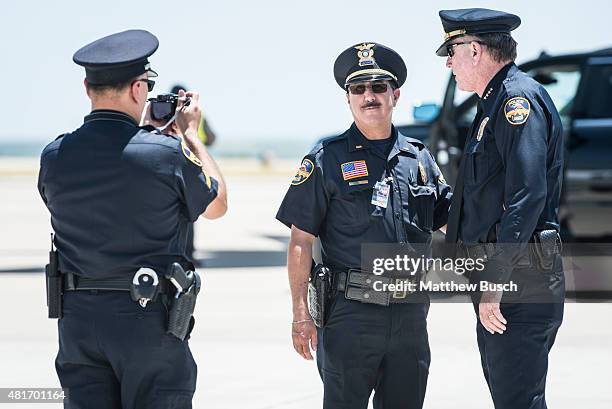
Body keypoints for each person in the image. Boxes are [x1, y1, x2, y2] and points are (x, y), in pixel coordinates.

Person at [37, 29, 227, 409]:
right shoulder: (166, 155)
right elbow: (217, 204)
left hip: (78, 323)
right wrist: (191, 137)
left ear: (87, 88)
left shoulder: (55, 155)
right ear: (139, 89)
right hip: (146, 320)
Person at [276, 42, 452, 409]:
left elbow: (450, 223)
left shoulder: (418, 157)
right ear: (348, 98)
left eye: (377, 87)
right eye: (359, 89)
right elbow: (300, 241)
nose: (368, 96)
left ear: (395, 94)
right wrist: (299, 314)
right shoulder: (326, 158)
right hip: (350, 315)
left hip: (410, 315)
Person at [437, 8, 565, 409]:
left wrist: (495, 277)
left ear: (474, 50)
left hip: (517, 279)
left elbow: (527, 194)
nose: (448, 63)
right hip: (510, 277)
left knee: (518, 400)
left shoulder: (514, 101)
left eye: (452, 51)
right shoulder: (492, 102)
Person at [170, 84, 218, 262]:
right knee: (190, 214)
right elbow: (212, 138)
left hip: (169, 163)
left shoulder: (164, 113)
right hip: (193, 162)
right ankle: (188, 255)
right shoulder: (196, 114)